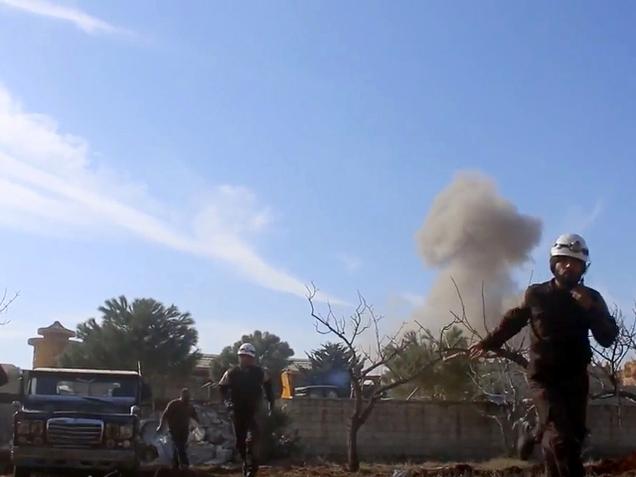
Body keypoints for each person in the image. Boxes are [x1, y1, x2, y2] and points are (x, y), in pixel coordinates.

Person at [470, 233, 618, 477]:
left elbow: (607, 337)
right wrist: (488, 343)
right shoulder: (537, 294)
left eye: (576, 262)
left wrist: (590, 310)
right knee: (561, 440)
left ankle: (535, 432)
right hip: (544, 378)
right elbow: (513, 320)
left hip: (575, 378)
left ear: (583, 268)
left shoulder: (591, 299)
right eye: (564, 260)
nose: (569, 266)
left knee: (572, 440)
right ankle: (544, 432)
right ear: (553, 263)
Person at [219, 343, 275, 477]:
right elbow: (222, 387)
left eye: (248, 357)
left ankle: (252, 466)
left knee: (252, 437)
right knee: (240, 442)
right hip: (237, 411)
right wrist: (227, 403)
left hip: (254, 411)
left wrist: (271, 404)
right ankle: (245, 463)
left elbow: (268, 386)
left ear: (253, 358)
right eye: (242, 356)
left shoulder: (260, 372)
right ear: (239, 357)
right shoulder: (231, 372)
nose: (245, 359)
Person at [156, 387, 199, 470]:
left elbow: (195, 416)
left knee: (179, 447)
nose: (187, 399)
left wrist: (197, 425)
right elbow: (165, 415)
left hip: (184, 430)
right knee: (180, 446)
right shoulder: (174, 404)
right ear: (181, 396)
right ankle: (185, 463)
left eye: (188, 397)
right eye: (186, 397)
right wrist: (161, 426)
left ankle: (175, 464)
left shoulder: (189, 406)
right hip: (174, 429)